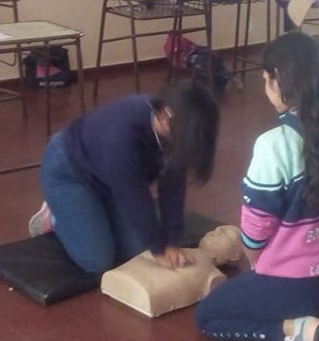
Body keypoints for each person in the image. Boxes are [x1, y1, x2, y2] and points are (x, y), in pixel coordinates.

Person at [195, 32, 319, 341]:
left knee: (208, 315)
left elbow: (254, 234)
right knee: (307, 291)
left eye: (266, 81)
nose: (266, 90)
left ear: (279, 81)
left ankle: (299, 329)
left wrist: (258, 263)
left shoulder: (275, 145)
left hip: (295, 283)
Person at [30, 80, 220, 274]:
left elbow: (173, 189)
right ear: (165, 115)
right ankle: (53, 216)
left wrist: (172, 241)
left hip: (108, 180)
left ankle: (95, 211)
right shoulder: (122, 137)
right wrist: (159, 248)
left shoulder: (177, 132)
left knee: (137, 251)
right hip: (69, 172)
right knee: (97, 260)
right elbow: (134, 199)